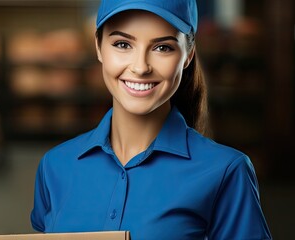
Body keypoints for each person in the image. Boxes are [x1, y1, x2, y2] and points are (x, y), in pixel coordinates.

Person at [30, 0, 272, 239]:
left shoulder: (226, 171)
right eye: (123, 44)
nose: (140, 67)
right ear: (98, 47)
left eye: (162, 48)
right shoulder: (55, 166)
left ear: (188, 55)